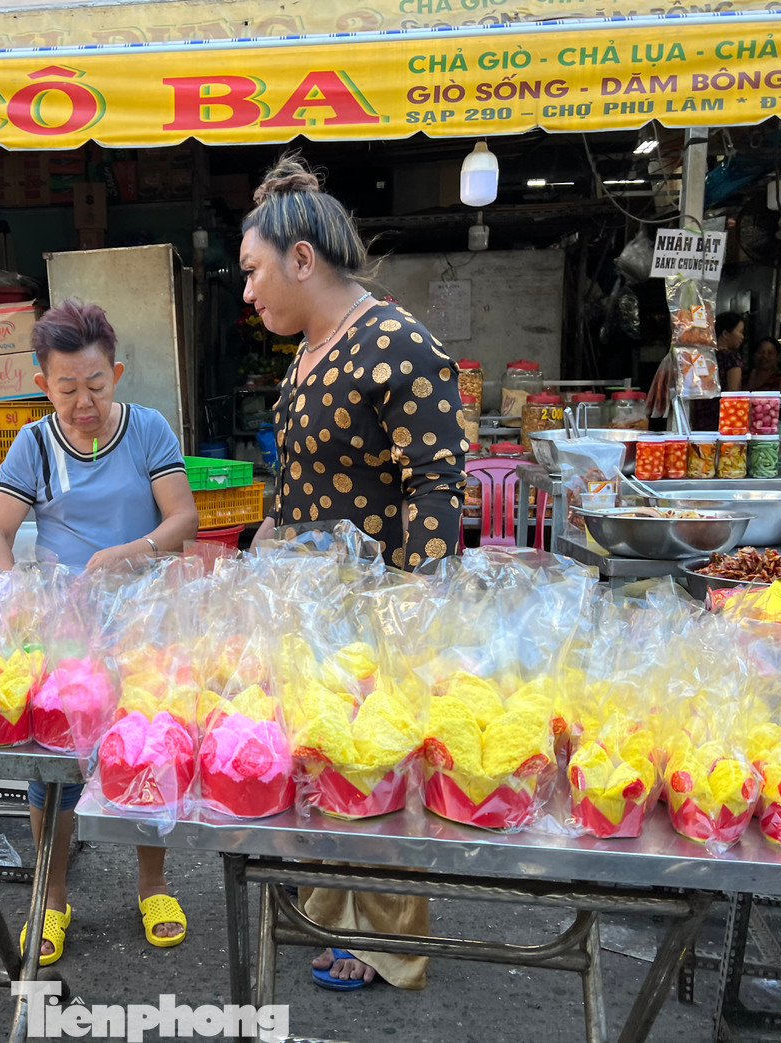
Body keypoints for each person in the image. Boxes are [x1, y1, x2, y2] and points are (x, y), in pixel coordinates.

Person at [240, 154, 466, 989]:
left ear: (303, 260)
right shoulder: (308, 351)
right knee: (327, 761)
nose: (248, 291)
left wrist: (419, 605)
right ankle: (333, 905)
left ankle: (389, 940)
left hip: (379, 607)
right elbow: (299, 482)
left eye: (254, 271)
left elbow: (436, 482)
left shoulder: (398, 342)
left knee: (379, 767)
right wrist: (260, 554)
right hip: (312, 606)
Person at [0, 299, 200, 966]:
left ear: (118, 373)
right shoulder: (34, 443)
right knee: (56, 771)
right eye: (67, 387)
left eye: (96, 384)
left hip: (144, 624)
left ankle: (153, 884)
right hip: (66, 633)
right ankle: (52, 898)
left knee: (145, 755)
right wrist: (10, 587)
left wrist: (132, 551)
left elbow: (182, 518)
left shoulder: (149, 429)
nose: (83, 401)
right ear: (43, 383)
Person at [688, 311, 746, 430]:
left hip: (700, 421)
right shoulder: (732, 358)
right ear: (725, 333)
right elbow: (733, 395)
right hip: (721, 421)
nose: (742, 337)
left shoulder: (702, 357)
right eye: (739, 332)